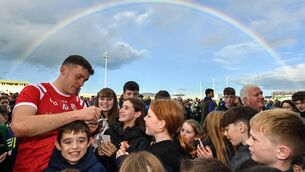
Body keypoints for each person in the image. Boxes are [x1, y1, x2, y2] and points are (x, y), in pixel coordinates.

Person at [11, 55, 102, 172]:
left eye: (84, 80)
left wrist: (91, 128)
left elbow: (80, 139)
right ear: (63, 70)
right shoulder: (36, 90)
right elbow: (19, 126)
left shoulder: (80, 103)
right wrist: (75, 115)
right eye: (78, 77)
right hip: (30, 168)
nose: (81, 83)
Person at [97, 97, 150, 172]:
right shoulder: (110, 131)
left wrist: (115, 155)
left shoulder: (142, 140)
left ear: (137, 114)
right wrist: (99, 152)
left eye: (126, 108)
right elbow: (100, 161)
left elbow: (136, 168)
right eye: (122, 107)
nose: (121, 110)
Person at [143, 99, 184, 172]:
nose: (144, 118)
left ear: (161, 124)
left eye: (149, 116)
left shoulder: (163, 156)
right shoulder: (171, 147)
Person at [221, 106, 258, 171]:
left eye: (227, 129)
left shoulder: (248, 162)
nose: (225, 133)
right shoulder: (244, 152)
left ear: (241, 127)